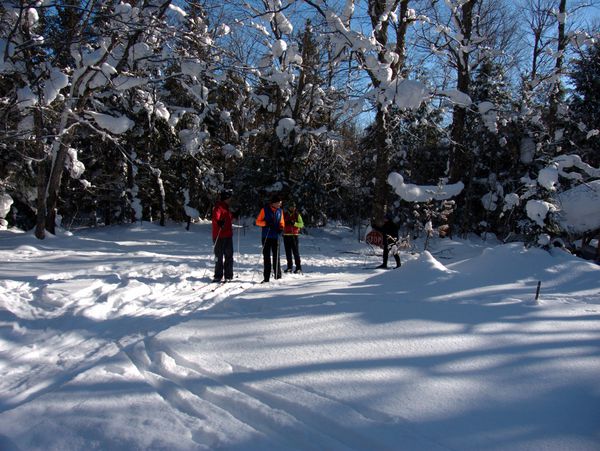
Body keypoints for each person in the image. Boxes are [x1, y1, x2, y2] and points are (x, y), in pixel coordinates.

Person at [255, 194, 285, 282]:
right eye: (279, 203)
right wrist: (266, 223)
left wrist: (281, 228)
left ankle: (278, 276)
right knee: (267, 257)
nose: (280, 204)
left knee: (276, 257)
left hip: (276, 236)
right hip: (266, 236)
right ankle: (266, 278)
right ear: (274, 203)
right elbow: (257, 222)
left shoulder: (280, 211)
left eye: (280, 203)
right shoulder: (264, 210)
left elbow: (282, 222)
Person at [211, 190, 236, 282]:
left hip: (228, 235)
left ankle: (228, 275)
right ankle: (218, 275)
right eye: (229, 198)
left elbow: (229, 218)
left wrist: (235, 215)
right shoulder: (218, 207)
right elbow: (215, 218)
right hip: (219, 235)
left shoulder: (226, 208)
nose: (230, 200)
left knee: (229, 255)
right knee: (219, 256)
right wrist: (218, 222)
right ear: (225, 198)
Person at [283, 201, 304, 273]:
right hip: (286, 235)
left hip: (294, 236)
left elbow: (301, 224)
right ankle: (289, 267)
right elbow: (281, 223)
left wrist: (294, 223)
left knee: (295, 252)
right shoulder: (285, 214)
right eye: (291, 206)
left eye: (294, 207)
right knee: (288, 252)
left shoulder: (297, 215)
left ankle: (298, 268)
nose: (293, 208)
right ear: (289, 207)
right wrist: (285, 224)